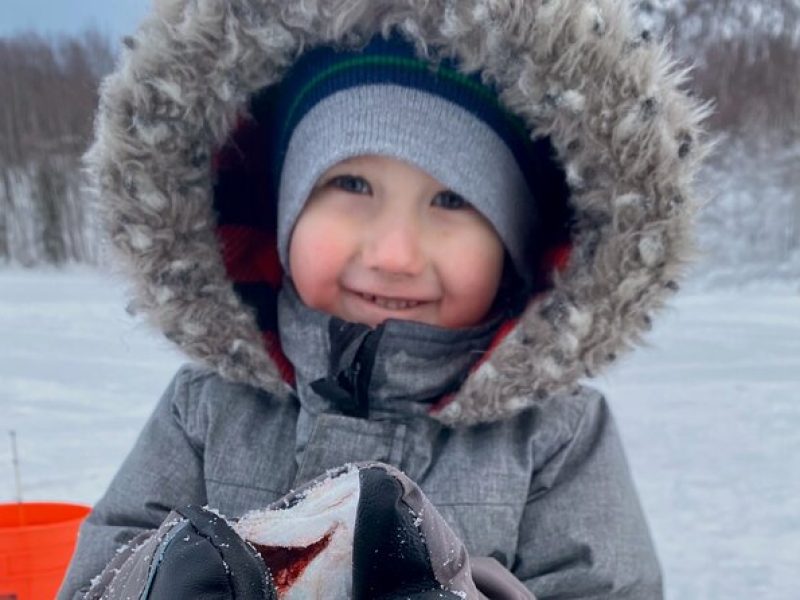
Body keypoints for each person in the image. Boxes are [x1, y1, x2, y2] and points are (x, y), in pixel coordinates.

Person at [58, 0, 709, 597]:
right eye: (352, 184)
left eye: (451, 200)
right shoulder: (204, 410)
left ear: (515, 245)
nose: (395, 253)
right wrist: (158, 580)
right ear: (283, 215)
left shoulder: (557, 437)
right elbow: (95, 578)